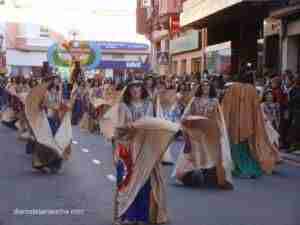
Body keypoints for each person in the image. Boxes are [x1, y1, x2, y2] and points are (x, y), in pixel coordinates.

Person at [112, 80, 171, 225]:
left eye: (138, 86)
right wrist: (129, 129)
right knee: (125, 181)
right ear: (128, 90)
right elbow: (117, 130)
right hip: (127, 148)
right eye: (132, 87)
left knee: (144, 183)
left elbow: (153, 126)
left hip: (145, 148)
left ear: (142, 89)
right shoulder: (123, 106)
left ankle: (141, 216)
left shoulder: (149, 105)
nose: (135, 89)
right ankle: (124, 216)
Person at [173, 81, 233, 189]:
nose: (206, 88)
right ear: (200, 88)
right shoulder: (194, 100)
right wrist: (187, 125)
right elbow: (185, 115)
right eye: (204, 86)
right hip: (195, 133)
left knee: (210, 155)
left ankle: (210, 178)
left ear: (211, 88)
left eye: (208, 86)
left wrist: (220, 131)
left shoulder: (215, 102)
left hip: (210, 133)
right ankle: (190, 177)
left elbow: (219, 119)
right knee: (194, 154)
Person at [222, 72, 280, 178]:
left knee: (235, 146)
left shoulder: (233, 88)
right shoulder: (252, 89)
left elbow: (226, 106)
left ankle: (239, 169)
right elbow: (256, 107)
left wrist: (224, 121)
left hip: (234, 123)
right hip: (248, 123)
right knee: (246, 148)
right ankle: (250, 168)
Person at [25, 76, 72, 173]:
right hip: (47, 119)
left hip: (56, 118)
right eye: (56, 80)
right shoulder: (45, 92)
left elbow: (60, 103)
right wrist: (55, 106)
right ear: (51, 81)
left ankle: (55, 164)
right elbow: (45, 104)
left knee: (58, 139)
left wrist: (65, 106)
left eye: (59, 80)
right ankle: (41, 162)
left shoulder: (58, 91)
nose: (58, 81)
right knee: (45, 141)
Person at [287, 77, 300, 152]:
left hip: (296, 110)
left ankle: (296, 145)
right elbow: (290, 101)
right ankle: (293, 145)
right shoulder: (293, 89)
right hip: (295, 111)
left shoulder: (293, 89)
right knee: (294, 128)